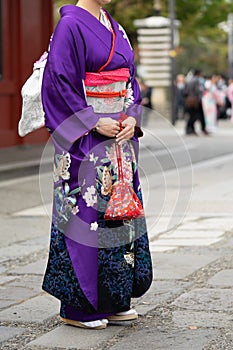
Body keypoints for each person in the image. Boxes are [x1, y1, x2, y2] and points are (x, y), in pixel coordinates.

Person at [41, 0, 152, 330]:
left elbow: (131, 81)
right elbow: (59, 82)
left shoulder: (114, 26)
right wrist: (90, 121)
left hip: (118, 138)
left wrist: (132, 117)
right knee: (85, 218)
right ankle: (77, 308)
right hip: (85, 141)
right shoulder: (70, 26)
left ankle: (115, 300)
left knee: (119, 215)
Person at [184, 69, 208, 135]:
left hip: (189, 100)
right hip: (196, 101)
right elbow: (199, 90)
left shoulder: (188, 80)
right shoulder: (197, 80)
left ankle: (190, 129)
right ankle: (201, 129)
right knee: (198, 115)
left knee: (192, 115)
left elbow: (185, 91)